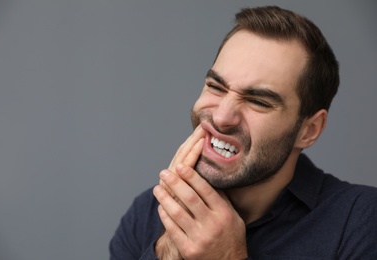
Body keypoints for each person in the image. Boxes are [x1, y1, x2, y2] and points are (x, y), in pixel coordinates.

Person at [109, 5, 377, 259]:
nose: (221, 117)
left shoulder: (361, 222)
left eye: (258, 101)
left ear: (308, 130)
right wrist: (169, 248)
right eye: (216, 86)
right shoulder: (145, 215)